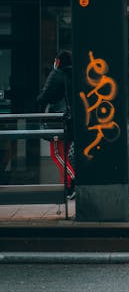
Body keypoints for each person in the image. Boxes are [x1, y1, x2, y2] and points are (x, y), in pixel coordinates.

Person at [36, 49, 75, 198]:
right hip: (71, 121)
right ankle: (68, 189)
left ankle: (74, 179)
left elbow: (45, 96)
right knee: (64, 156)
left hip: (58, 121)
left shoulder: (57, 74)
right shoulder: (73, 75)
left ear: (58, 61)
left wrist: (38, 98)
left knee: (56, 154)